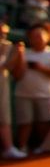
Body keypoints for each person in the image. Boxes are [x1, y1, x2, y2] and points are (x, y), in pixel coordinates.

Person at [10, 24, 50, 154]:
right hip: (23, 93)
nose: (37, 38)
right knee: (24, 123)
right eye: (34, 36)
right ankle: (22, 148)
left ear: (47, 37)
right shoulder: (24, 53)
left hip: (46, 94)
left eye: (40, 35)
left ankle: (44, 146)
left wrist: (41, 68)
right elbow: (17, 75)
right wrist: (20, 57)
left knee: (44, 122)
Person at [1, 22, 26, 159]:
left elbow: (16, 72)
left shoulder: (7, 47)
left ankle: (9, 147)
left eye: (5, 33)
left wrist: (18, 54)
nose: (2, 35)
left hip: (3, 86)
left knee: (4, 118)